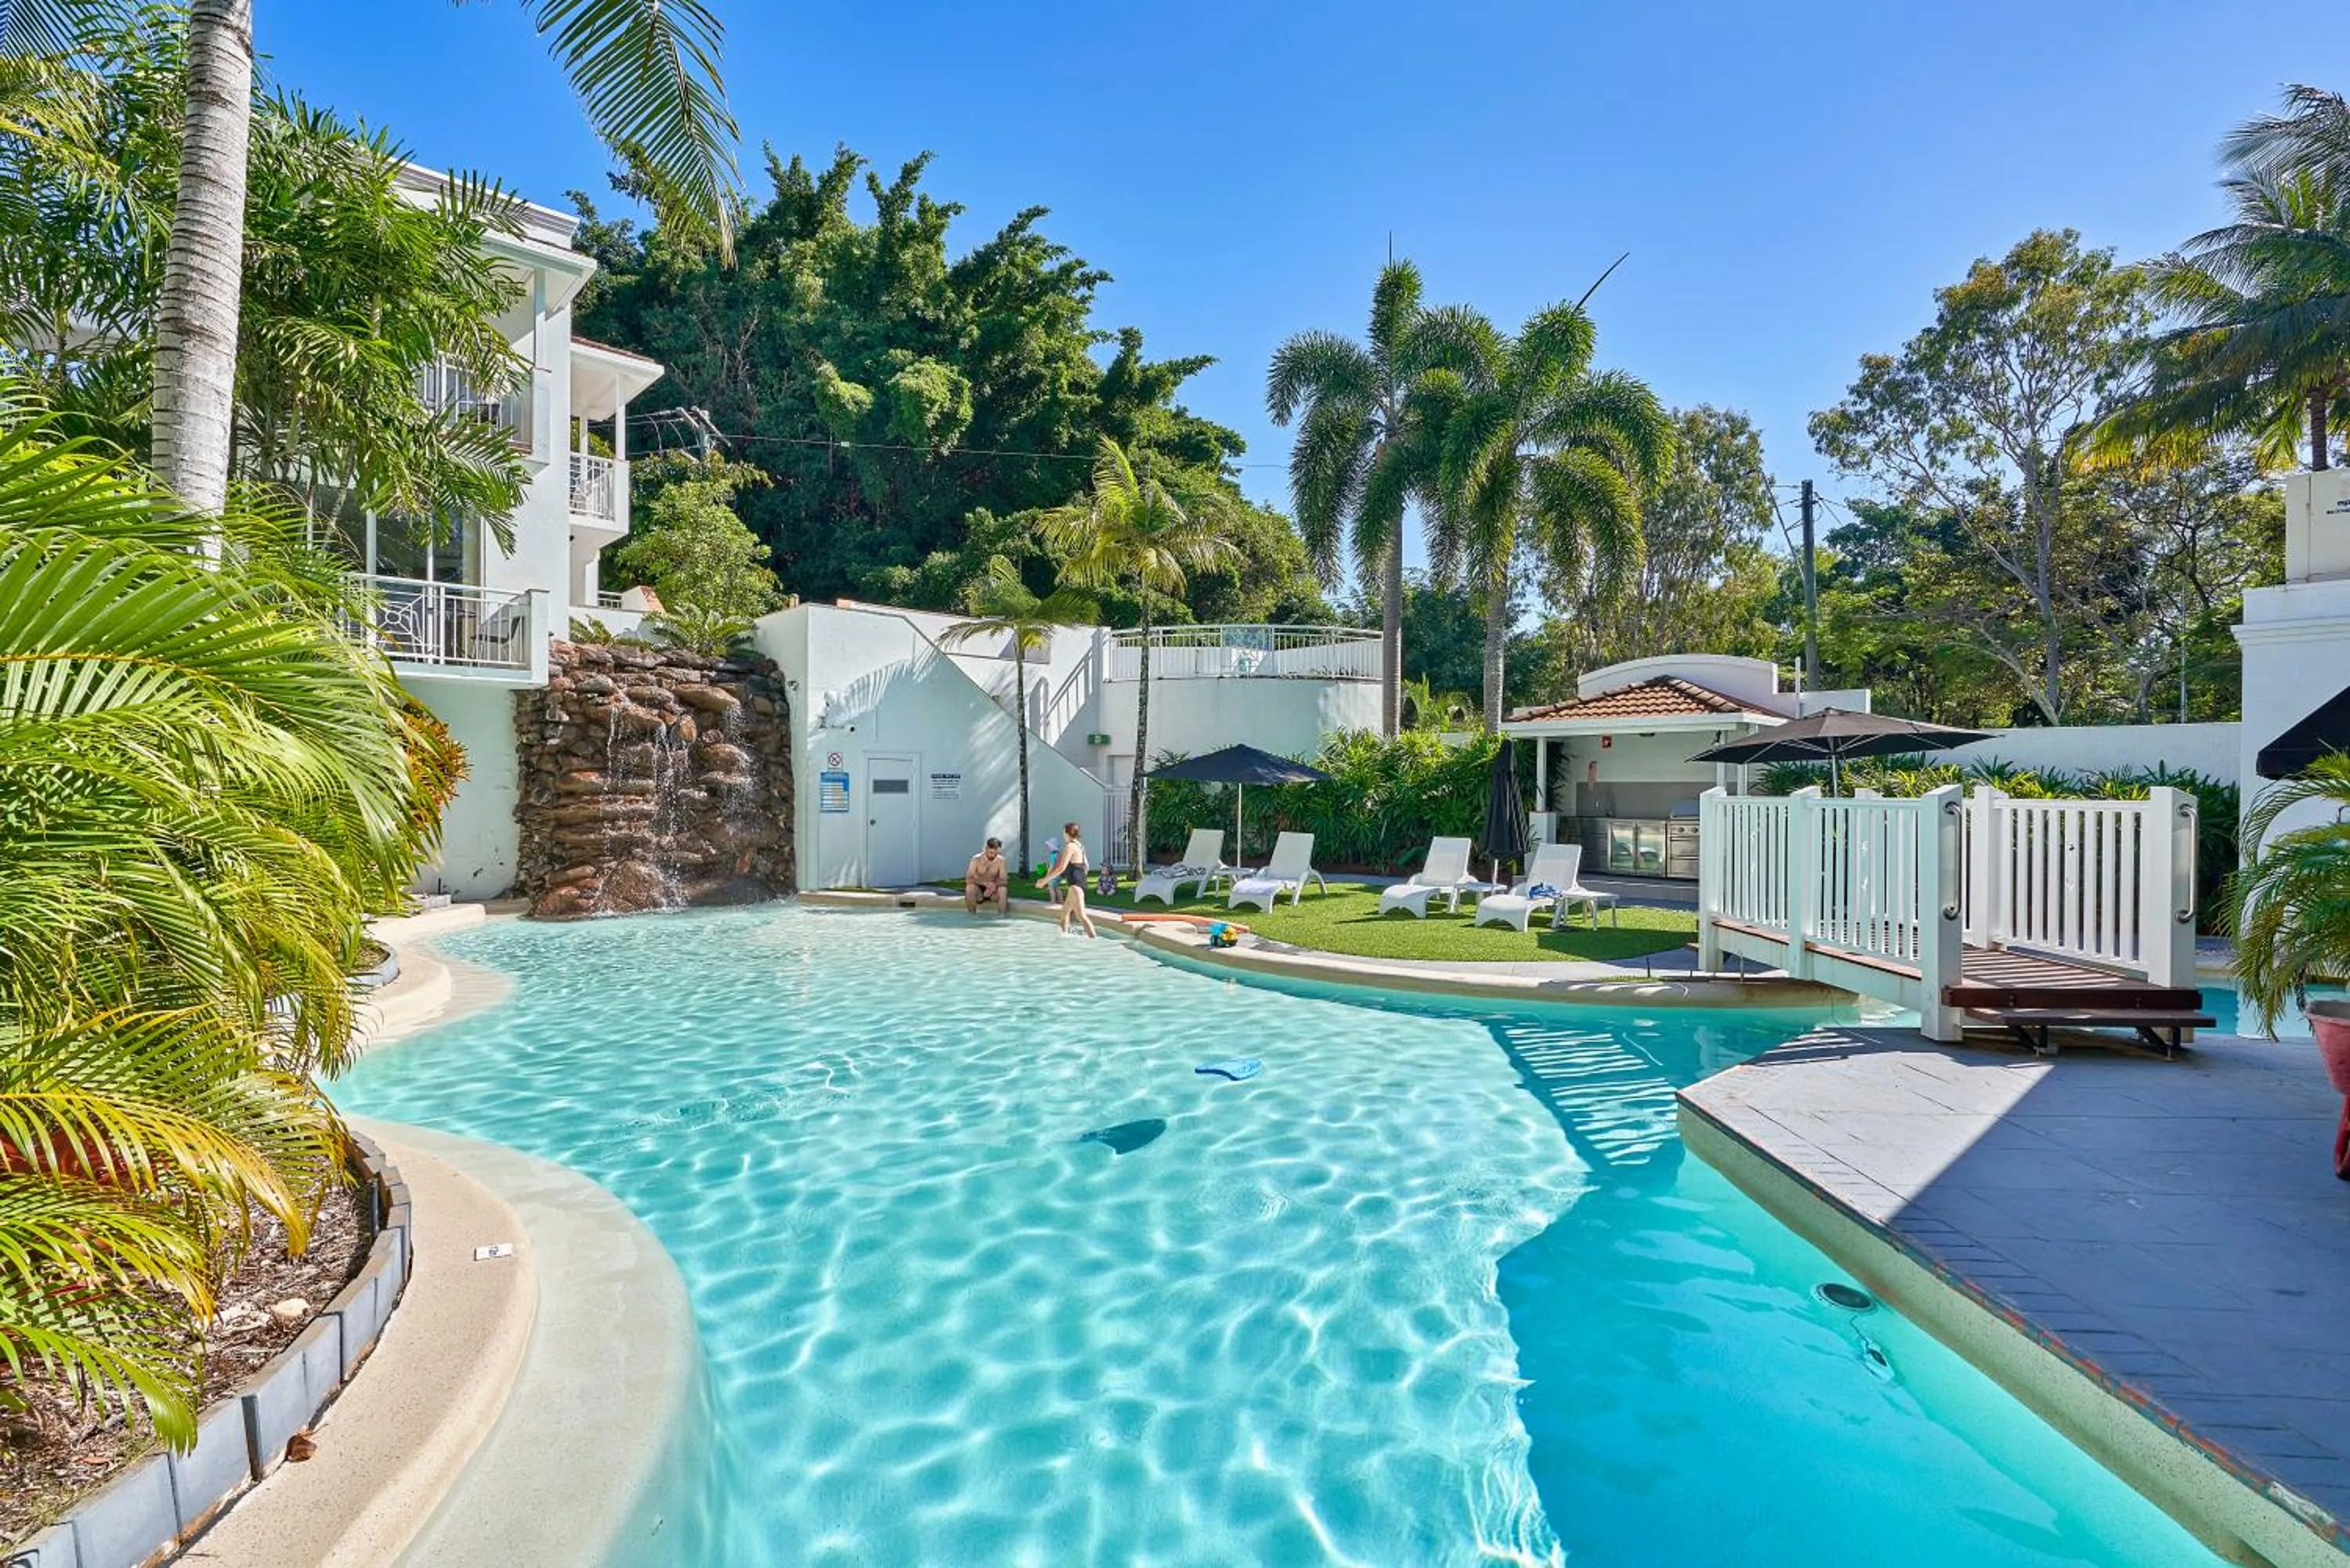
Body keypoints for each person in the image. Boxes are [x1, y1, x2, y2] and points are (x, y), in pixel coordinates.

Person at [1040, 822, 1098, 938]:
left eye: (1063, 832)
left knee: (1081, 916)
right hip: (1078, 884)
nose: (1063, 834)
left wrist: (1044, 881)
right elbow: (1086, 865)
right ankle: (1064, 938)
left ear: (1067, 833)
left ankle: (1094, 940)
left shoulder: (1069, 847)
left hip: (1076, 886)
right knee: (1064, 914)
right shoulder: (1079, 846)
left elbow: (1061, 868)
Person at [964, 837, 1009, 915]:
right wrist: (984, 883)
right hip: (979, 891)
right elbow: (969, 879)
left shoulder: (1001, 861)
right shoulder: (976, 859)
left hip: (993, 892)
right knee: (970, 888)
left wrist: (994, 886)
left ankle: (1002, 917)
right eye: (991, 853)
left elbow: (1004, 880)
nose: (993, 855)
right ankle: (971, 916)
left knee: (1003, 890)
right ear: (986, 849)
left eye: (996, 853)